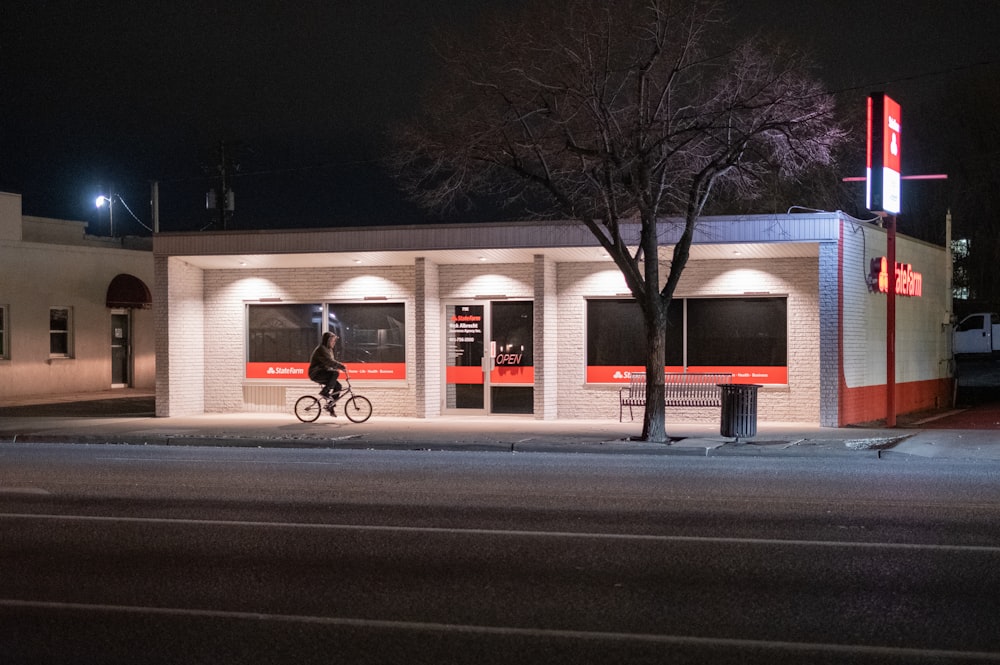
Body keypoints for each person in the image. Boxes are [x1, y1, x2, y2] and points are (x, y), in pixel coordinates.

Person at [308, 331, 345, 399]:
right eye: (332, 341)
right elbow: (329, 361)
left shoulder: (329, 350)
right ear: (327, 341)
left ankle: (331, 405)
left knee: (338, 386)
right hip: (316, 373)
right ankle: (324, 391)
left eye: (334, 341)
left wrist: (338, 367)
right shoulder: (322, 349)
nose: (334, 343)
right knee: (335, 373)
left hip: (322, 371)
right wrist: (340, 366)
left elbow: (330, 364)